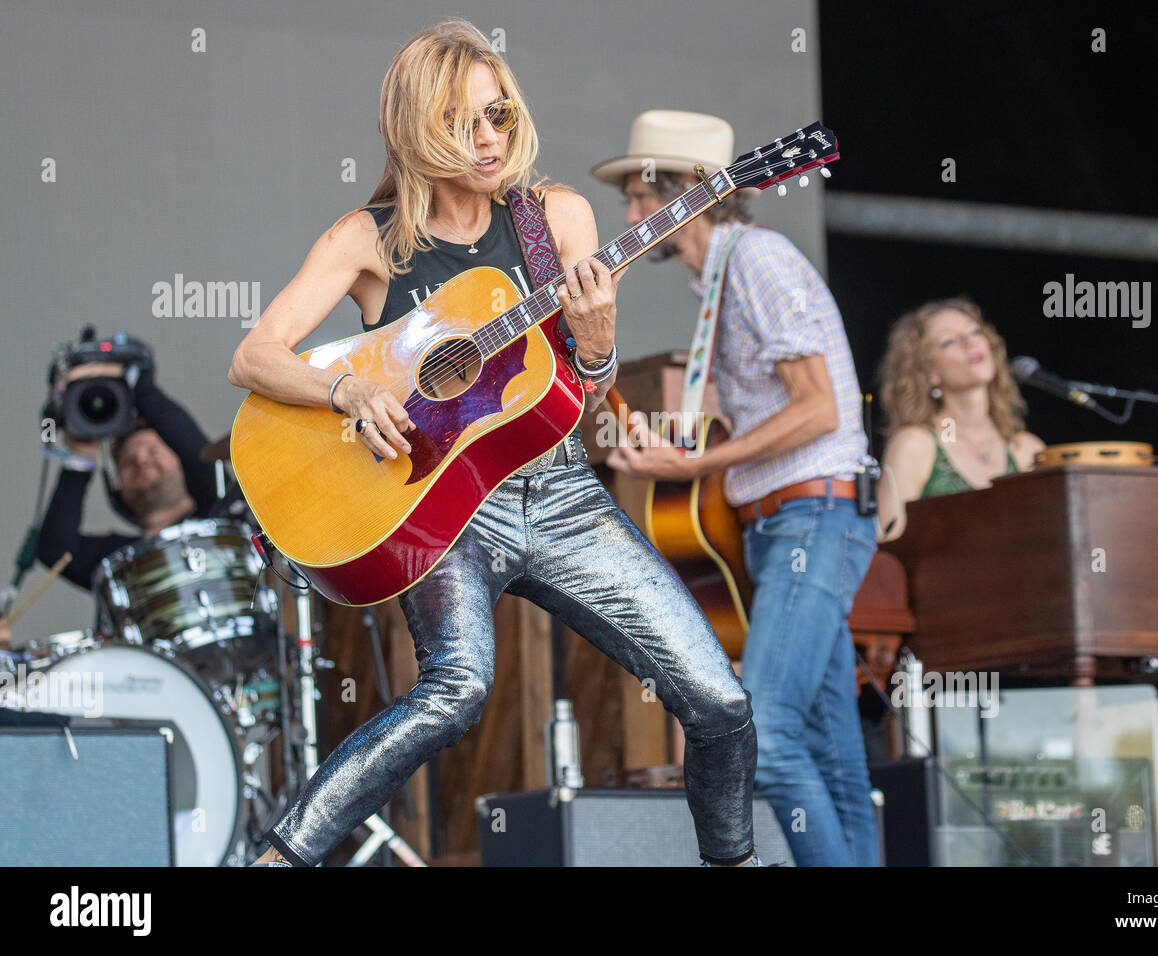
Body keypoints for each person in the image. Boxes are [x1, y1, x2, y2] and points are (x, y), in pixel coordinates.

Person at [229, 22, 760, 868]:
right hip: (443, 512)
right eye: (463, 122)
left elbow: (577, 397)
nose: (488, 140)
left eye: (500, 116)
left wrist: (595, 345)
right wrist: (351, 387)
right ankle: (278, 860)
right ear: (418, 130)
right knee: (457, 688)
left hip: (559, 496)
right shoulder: (368, 240)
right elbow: (253, 356)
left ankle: (734, 863)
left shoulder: (559, 218)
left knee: (721, 702)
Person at [599, 111, 879, 866]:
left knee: (772, 734)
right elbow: (747, 415)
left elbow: (819, 408)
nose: (627, 218)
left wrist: (696, 468)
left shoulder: (757, 257)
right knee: (828, 749)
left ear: (691, 191)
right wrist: (678, 450)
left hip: (811, 514)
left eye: (639, 197)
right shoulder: (719, 276)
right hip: (784, 523)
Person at [37, 361, 221, 589]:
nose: (141, 460)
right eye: (128, 461)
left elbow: (201, 458)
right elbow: (54, 551)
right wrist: (80, 460)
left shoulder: (221, 515)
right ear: (117, 490)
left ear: (181, 461)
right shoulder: (118, 561)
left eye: (153, 451)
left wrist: (140, 385)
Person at [875, 297, 1044, 540]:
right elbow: (888, 547)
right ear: (929, 372)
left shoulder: (1026, 450)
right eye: (949, 341)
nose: (970, 342)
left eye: (975, 332)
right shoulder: (916, 445)